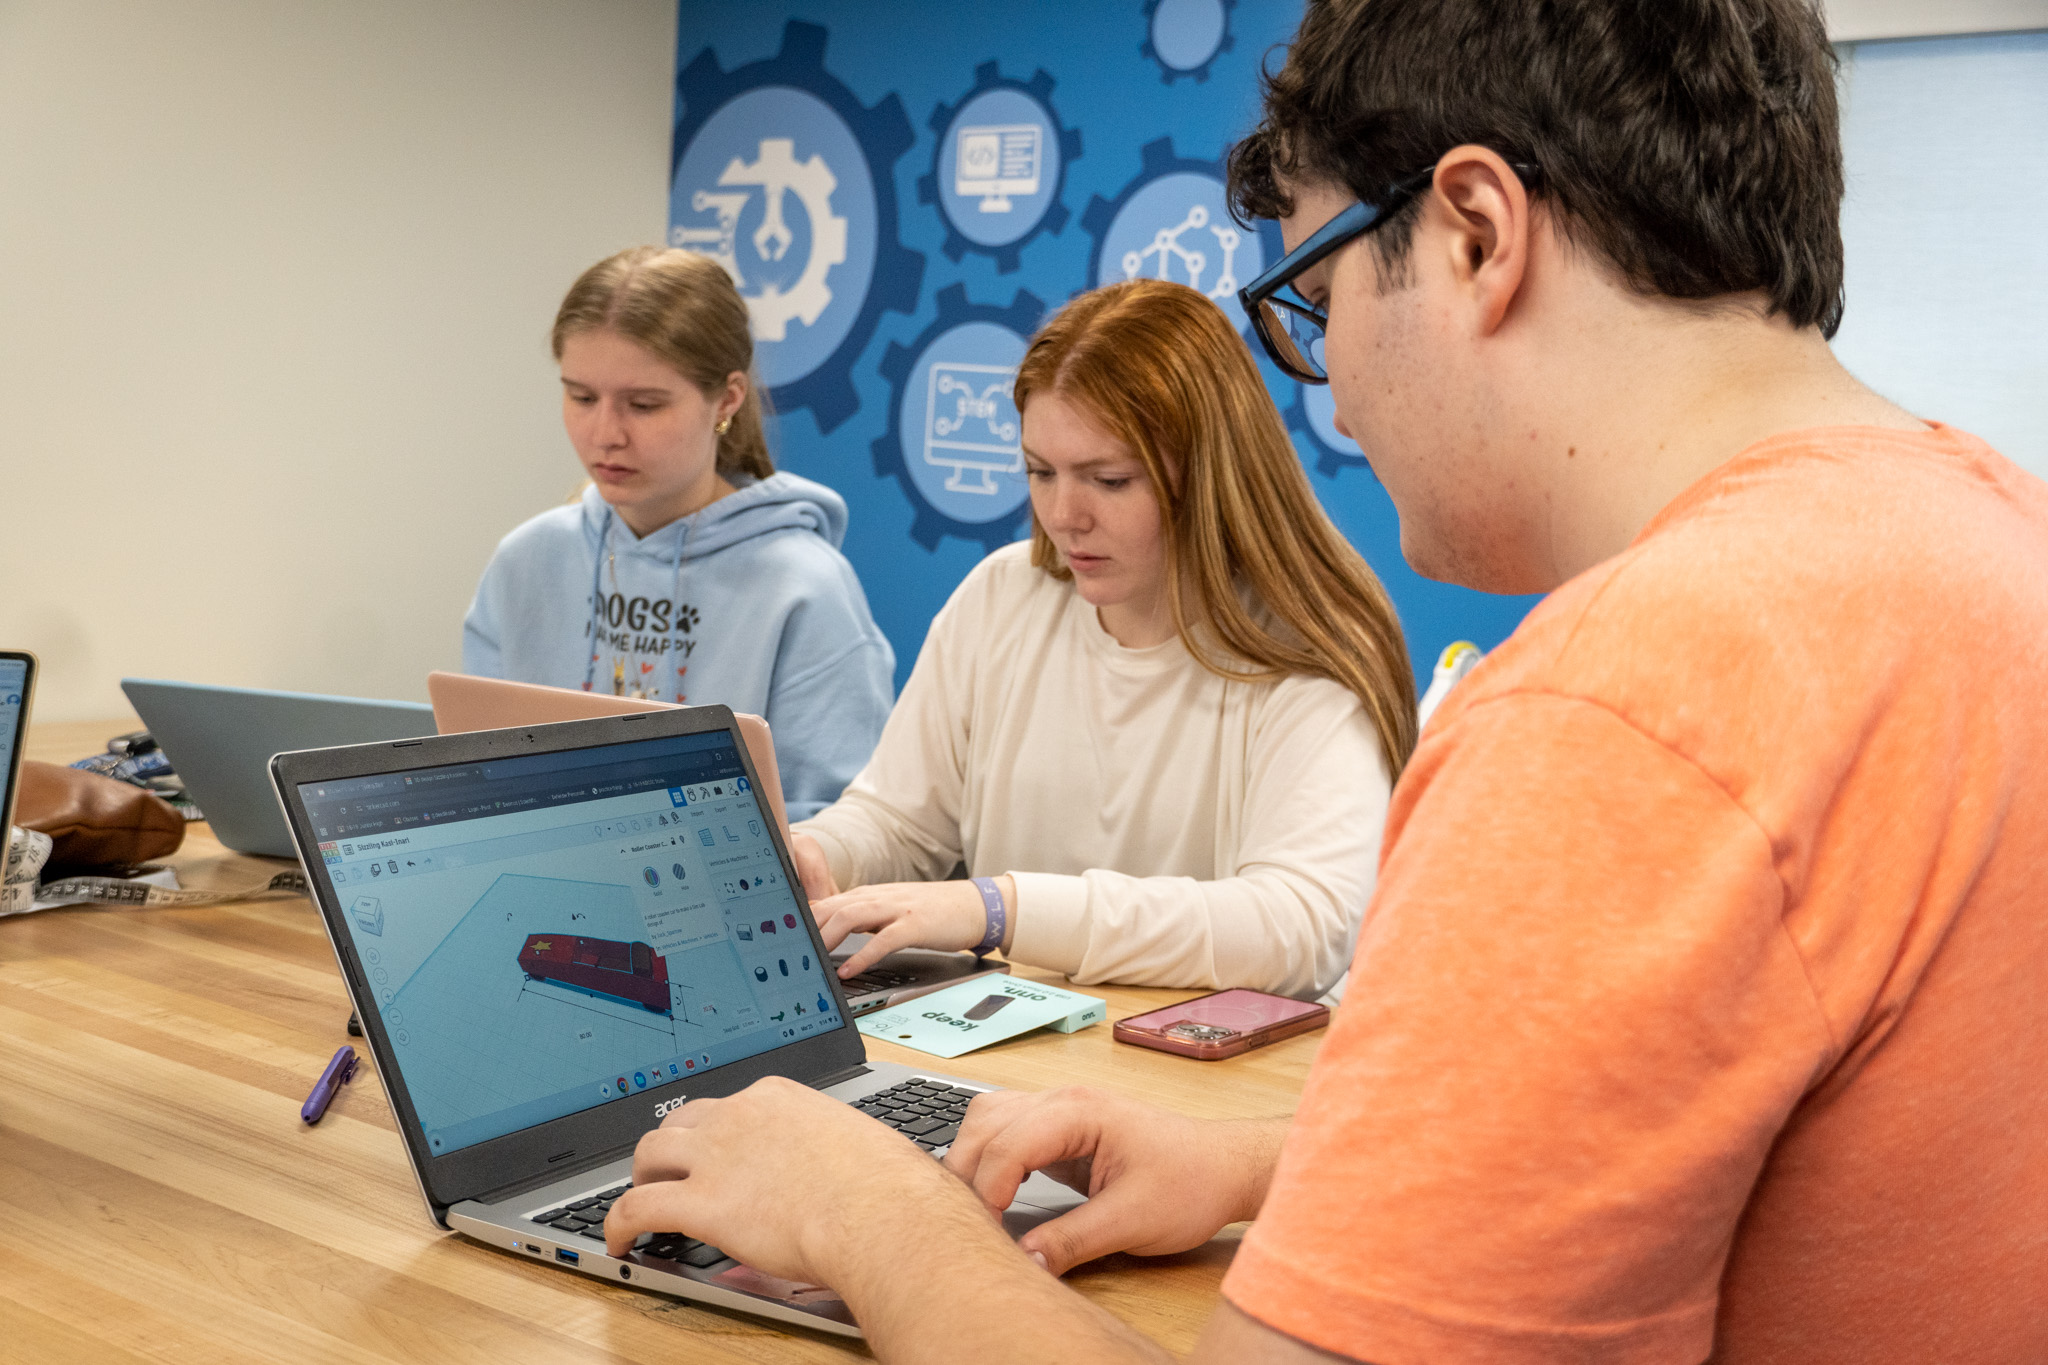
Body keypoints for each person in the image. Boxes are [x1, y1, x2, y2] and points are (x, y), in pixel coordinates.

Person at [604, 0, 2048, 1360]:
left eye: (1312, 294)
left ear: (1478, 233)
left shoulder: (1621, 709)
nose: (1334, 389)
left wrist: (871, 1213)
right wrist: (1270, 1163)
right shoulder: (1988, 533)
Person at [789, 276, 1416, 998]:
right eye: (1039, 471)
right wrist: (819, 851)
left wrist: (1003, 910)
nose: (1064, 514)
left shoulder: (1310, 647)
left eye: (1109, 479)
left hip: (1222, 1091)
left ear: (1212, 473)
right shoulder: (1001, 596)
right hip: (1024, 1051)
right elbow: (901, 819)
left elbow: (1297, 927)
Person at [461, 247, 894, 820]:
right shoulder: (528, 560)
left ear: (728, 400)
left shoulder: (805, 587)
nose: (604, 433)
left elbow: (834, 830)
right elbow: (473, 779)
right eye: (581, 396)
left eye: (644, 404)